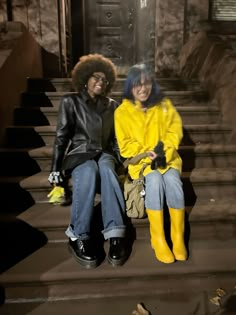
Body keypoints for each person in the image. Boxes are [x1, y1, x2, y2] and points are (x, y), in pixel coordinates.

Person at [48, 54, 127, 268]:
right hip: (80, 154)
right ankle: (78, 236)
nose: (101, 82)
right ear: (85, 78)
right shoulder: (70, 101)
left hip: (106, 153)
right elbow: (61, 137)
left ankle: (115, 234)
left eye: (104, 79)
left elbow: (117, 140)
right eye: (96, 77)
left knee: (108, 169)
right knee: (89, 170)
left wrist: (124, 163)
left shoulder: (113, 106)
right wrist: (55, 170)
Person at [114, 63, 187, 264]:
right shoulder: (122, 112)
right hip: (142, 164)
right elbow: (125, 145)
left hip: (168, 159)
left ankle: (177, 237)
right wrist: (148, 154)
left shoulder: (164, 105)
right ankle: (158, 237)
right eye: (137, 84)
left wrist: (165, 151)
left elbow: (174, 132)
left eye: (146, 84)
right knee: (154, 180)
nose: (142, 89)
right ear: (130, 87)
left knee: (173, 181)